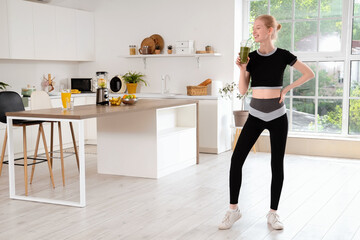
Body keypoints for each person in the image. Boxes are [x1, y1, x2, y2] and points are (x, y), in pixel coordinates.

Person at [219, 14, 315, 231]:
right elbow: (243, 91)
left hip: (277, 116)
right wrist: (242, 68)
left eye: (259, 28)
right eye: (253, 28)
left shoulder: (283, 55)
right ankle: (233, 210)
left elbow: (309, 73)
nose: (255, 31)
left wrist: (287, 89)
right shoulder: (250, 57)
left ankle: (273, 214)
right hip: (255, 114)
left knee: (276, 164)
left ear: (270, 30)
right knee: (236, 160)